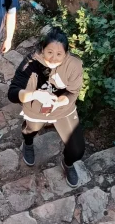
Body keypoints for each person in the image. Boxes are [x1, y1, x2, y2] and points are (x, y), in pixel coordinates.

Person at [8, 27, 85, 187]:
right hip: (35, 110)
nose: (54, 58)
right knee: (31, 129)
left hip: (63, 110)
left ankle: (68, 163)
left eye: (59, 54)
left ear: (66, 54)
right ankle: (27, 143)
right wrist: (34, 95)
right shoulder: (30, 63)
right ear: (42, 49)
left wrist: (61, 101)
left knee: (77, 150)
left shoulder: (74, 65)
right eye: (49, 52)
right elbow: (13, 92)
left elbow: (73, 91)